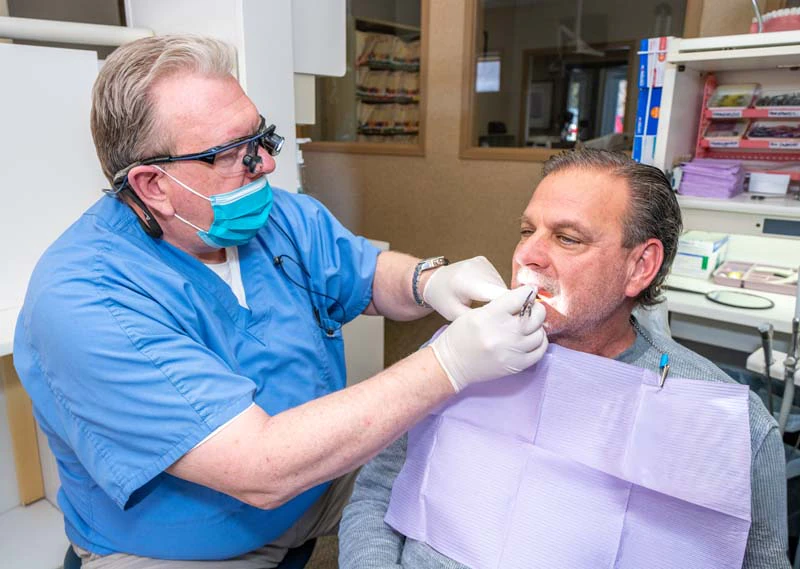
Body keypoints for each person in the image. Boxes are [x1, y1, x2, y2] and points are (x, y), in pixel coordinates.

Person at [12, 35, 549, 568]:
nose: (266, 164)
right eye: (238, 153)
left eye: (263, 137)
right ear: (153, 184)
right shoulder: (85, 302)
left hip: (315, 482)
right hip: (182, 543)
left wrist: (428, 280)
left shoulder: (280, 219)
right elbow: (259, 468)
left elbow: (363, 275)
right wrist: (447, 364)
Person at [339, 149, 790, 569]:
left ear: (640, 267)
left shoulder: (726, 424)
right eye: (526, 230)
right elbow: (375, 494)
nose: (527, 255)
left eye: (568, 238)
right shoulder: (461, 354)